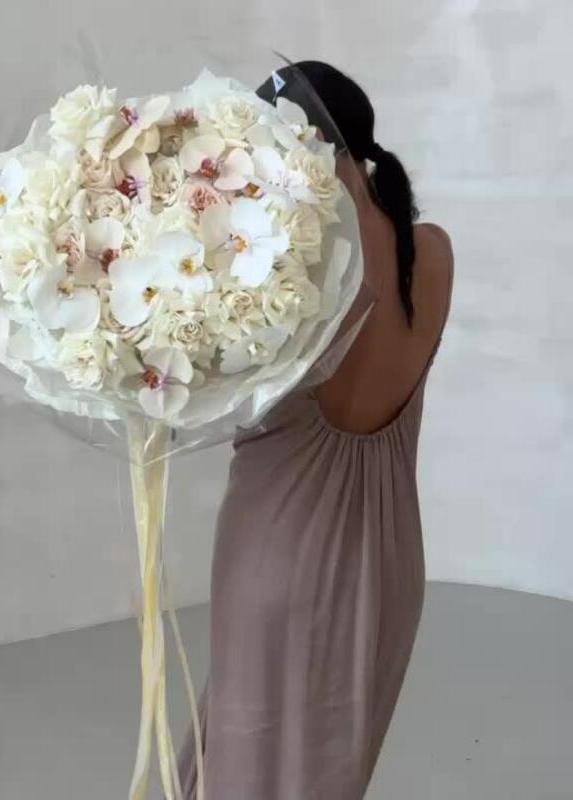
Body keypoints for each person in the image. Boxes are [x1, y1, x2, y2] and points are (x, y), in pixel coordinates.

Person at [173, 61, 455, 799]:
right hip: (389, 563)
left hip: (281, 552)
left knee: (244, 765)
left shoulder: (295, 263)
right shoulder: (431, 250)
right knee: (326, 776)